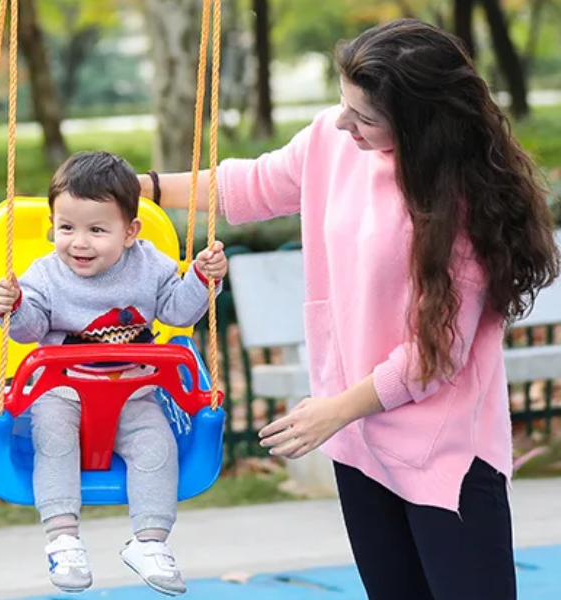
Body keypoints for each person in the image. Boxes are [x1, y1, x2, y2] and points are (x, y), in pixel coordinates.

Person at [138, 18, 561, 600]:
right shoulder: (333, 144)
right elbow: (248, 186)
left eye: (363, 117)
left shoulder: (464, 207)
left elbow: (435, 356)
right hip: (359, 441)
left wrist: (334, 410)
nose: (343, 124)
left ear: (418, 124)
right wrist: (137, 187)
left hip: (444, 453)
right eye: (343, 104)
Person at [0, 150, 227, 596]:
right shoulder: (44, 274)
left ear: (130, 231)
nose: (79, 243)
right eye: (66, 228)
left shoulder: (151, 265)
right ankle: (62, 536)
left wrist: (200, 277)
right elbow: (28, 332)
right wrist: (14, 306)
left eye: (97, 230)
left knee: (156, 449)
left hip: (134, 390)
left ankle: (150, 541)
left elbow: (178, 311)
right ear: (52, 226)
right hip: (61, 391)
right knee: (54, 441)